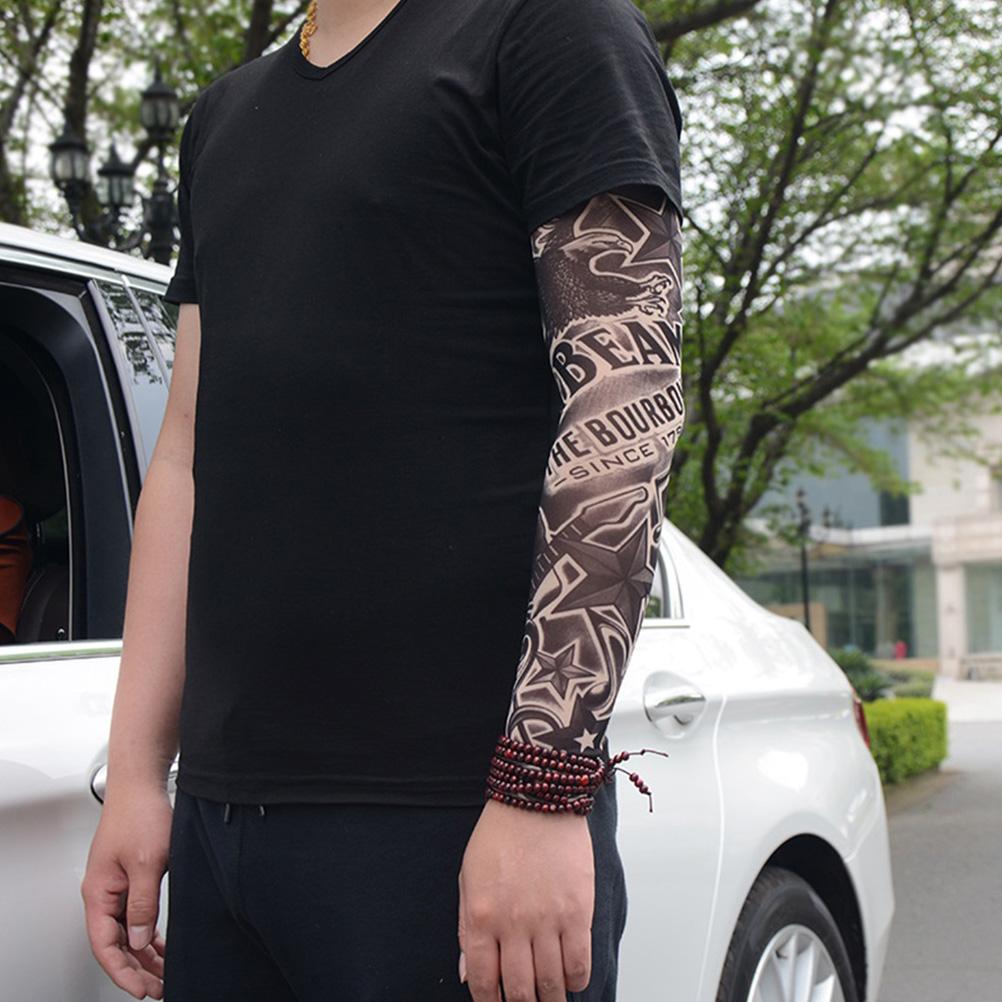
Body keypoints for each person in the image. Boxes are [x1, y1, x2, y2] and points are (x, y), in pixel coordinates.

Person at [80, 0, 685, 1000]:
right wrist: (138, 775)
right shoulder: (223, 116)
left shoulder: (547, 29)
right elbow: (186, 454)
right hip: (224, 830)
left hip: (454, 816)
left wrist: (542, 786)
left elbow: (624, 405)